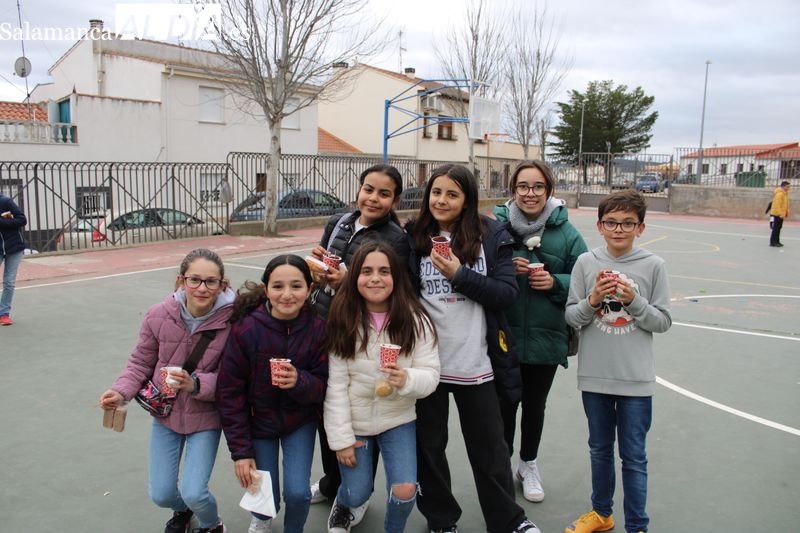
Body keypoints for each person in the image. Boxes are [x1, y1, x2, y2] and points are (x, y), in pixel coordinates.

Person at [407, 163, 540, 533]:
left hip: (476, 362)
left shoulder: (491, 235)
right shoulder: (414, 235)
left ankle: (508, 520)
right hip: (428, 363)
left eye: (452, 194)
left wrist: (458, 274)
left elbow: (506, 294)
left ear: (466, 200)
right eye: (436, 192)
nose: (441, 200)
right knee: (429, 447)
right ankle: (441, 519)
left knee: (490, 449)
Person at [99, 248, 235, 533]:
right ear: (181, 280)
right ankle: (183, 512)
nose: (202, 288)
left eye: (211, 281)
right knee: (161, 494)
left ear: (222, 285)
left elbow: (233, 379)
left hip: (206, 418)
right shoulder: (157, 315)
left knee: (195, 492)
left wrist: (196, 384)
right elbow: (140, 362)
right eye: (194, 279)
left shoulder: (234, 322)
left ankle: (211, 524)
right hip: (166, 415)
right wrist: (120, 392)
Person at [564, 190, 672, 533]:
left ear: (640, 228)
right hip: (595, 377)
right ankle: (602, 513)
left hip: (635, 380)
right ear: (599, 226)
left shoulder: (654, 265)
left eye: (628, 223)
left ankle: (637, 525)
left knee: (634, 456)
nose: (619, 229)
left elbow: (662, 321)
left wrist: (635, 301)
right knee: (599, 450)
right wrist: (594, 299)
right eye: (611, 222)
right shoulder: (586, 263)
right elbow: (572, 317)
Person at [310, 164, 412, 522]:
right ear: (359, 189)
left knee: (364, 415)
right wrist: (316, 270)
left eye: (384, 194)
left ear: (395, 201)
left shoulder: (396, 240)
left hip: (362, 337)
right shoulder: (338, 223)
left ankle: (356, 492)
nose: (373, 198)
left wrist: (345, 282)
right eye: (368, 189)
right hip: (324, 327)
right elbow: (324, 270)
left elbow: (393, 290)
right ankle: (332, 483)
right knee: (328, 411)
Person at [324, 241, 440, 533]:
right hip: (356, 421)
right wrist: (341, 440)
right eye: (367, 271)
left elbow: (431, 375)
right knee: (357, 493)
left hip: (398, 419)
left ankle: (393, 529)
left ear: (396, 277)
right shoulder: (343, 319)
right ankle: (345, 502)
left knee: (405, 489)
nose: (375, 278)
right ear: (354, 277)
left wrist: (407, 379)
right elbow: (336, 386)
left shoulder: (416, 320)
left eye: (384, 271)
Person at [492, 160, 588, 503]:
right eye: (523, 186)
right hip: (503, 334)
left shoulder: (567, 233)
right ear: (513, 190)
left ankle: (528, 464)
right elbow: (477, 269)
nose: (530, 193)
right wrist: (505, 268)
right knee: (504, 404)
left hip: (547, 335)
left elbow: (586, 279)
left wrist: (555, 282)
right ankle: (502, 464)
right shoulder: (495, 226)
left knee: (535, 406)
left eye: (537, 187)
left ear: (548, 190)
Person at [216, 254, 328, 533]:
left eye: (296, 286)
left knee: (298, 493)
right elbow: (229, 393)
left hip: (299, 421)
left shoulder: (318, 329)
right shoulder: (246, 329)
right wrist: (241, 452)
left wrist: (300, 381)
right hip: (259, 423)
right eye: (278, 286)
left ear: (309, 289)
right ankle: (262, 517)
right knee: (264, 493)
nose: (287, 294)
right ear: (266, 289)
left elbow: (324, 385)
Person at [0, 192, 27, 326]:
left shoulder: (5, 201)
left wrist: (2, 221)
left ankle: (4, 314)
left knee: (9, 282)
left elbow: (22, 220)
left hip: (14, 247)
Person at [769, 180, 791, 247]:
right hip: (778, 214)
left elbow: (784, 204)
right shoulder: (779, 194)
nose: (788, 188)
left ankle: (777, 241)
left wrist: (785, 212)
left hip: (781, 214)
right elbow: (777, 205)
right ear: (783, 186)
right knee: (776, 229)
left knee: (778, 228)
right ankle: (773, 242)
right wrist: (779, 214)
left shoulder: (785, 194)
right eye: (787, 186)